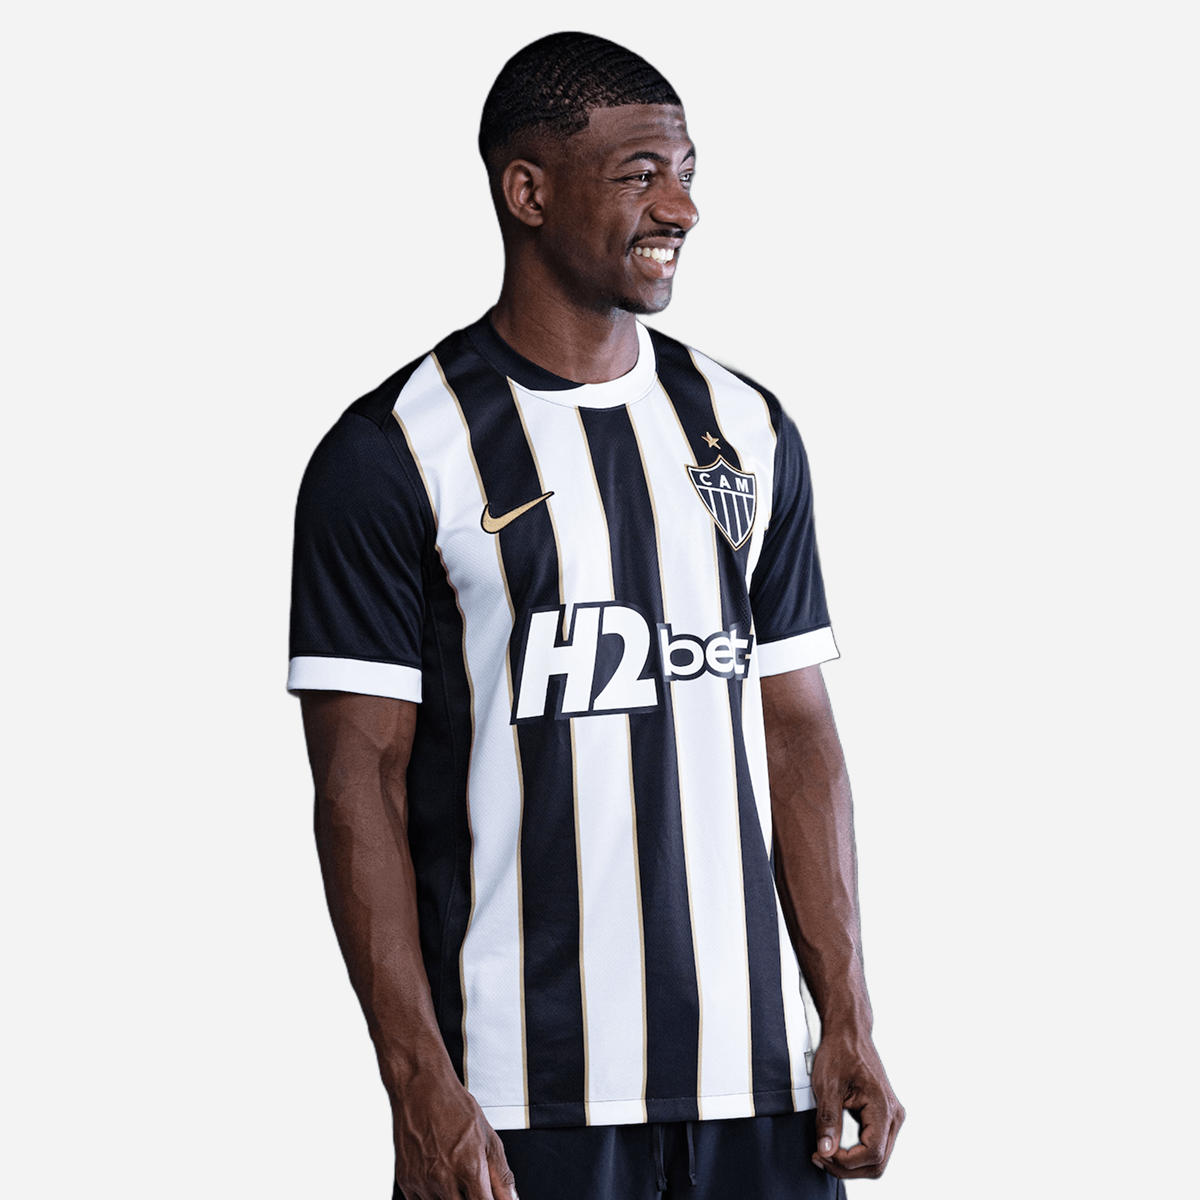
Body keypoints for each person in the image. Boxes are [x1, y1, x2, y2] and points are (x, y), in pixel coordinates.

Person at [289, 31, 903, 1200]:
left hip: (762, 1090)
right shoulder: (394, 451)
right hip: (520, 1103)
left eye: (687, 172)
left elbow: (796, 732)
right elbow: (357, 781)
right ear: (527, 192)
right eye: (640, 175)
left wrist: (846, 1015)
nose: (682, 207)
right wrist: (416, 1083)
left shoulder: (746, 427)